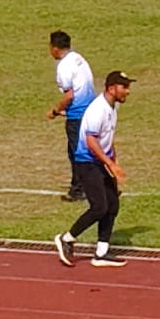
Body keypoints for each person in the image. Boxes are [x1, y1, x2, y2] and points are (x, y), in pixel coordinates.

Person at [53, 70, 134, 268]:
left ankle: (101, 252)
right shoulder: (98, 109)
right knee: (99, 207)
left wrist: (113, 163)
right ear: (111, 88)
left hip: (100, 162)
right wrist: (110, 163)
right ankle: (67, 238)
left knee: (112, 204)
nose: (128, 91)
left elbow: (107, 138)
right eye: (124, 87)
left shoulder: (112, 107)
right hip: (87, 162)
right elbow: (91, 141)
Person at [47, 30, 96, 202]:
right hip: (91, 110)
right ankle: (102, 184)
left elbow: (69, 96)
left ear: (54, 48)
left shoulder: (64, 67)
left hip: (78, 115)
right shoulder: (78, 58)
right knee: (91, 149)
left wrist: (54, 111)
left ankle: (80, 189)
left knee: (77, 152)